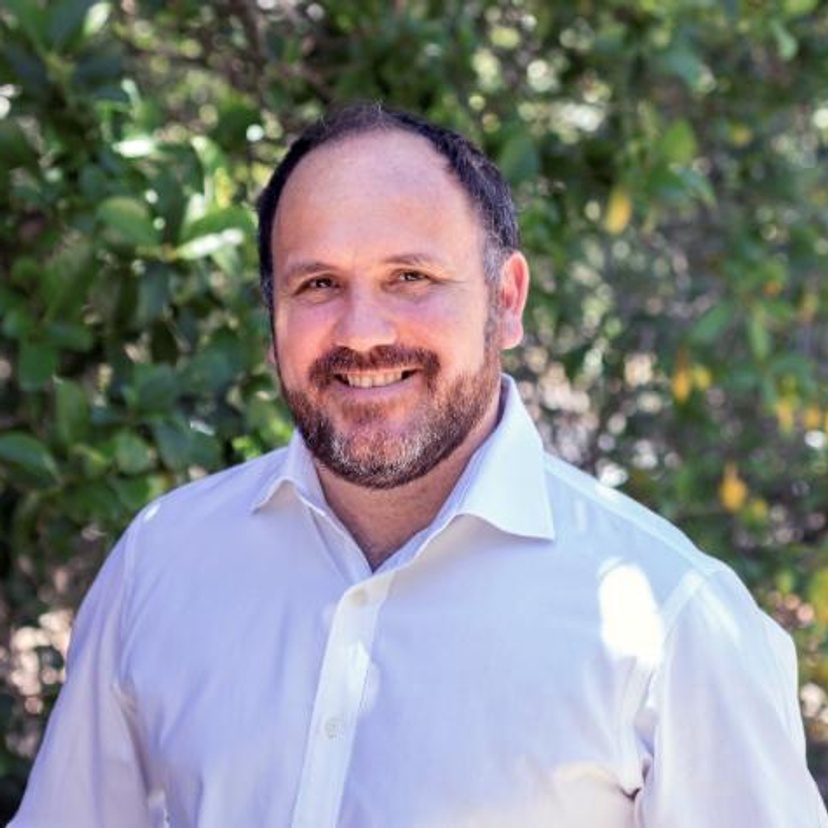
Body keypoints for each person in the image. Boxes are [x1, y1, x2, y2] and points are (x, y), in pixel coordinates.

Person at [10, 102, 828, 828]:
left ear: (506, 301)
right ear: (273, 313)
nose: (362, 330)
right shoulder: (163, 561)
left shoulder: (673, 622)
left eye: (411, 277)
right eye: (319, 283)